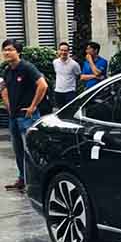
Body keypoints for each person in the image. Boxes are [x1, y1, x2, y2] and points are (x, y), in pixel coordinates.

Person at [1, 39, 48, 191]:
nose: (6, 52)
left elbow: (43, 85)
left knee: (31, 150)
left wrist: (33, 106)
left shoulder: (27, 67)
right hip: (13, 117)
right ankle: (22, 179)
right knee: (18, 151)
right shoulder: (7, 70)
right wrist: (8, 105)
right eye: (5, 50)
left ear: (18, 52)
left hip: (27, 117)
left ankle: (36, 183)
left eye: (10, 49)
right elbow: (3, 87)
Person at [52, 41, 80, 108]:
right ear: (58, 51)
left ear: (68, 52)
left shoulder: (74, 64)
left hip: (70, 92)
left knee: (70, 111)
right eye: (61, 50)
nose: (63, 52)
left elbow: (78, 75)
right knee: (60, 111)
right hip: (58, 92)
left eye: (65, 50)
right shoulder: (55, 62)